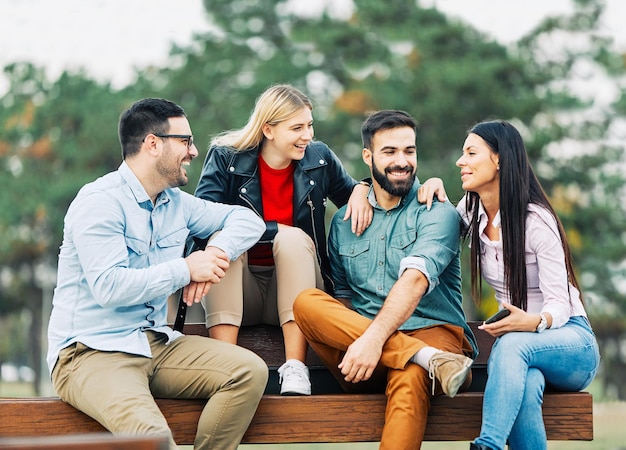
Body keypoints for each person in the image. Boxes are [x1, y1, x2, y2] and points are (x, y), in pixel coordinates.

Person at [46, 98, 269, 450]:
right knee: (155, 441)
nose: (194, 151)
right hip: (90, 352)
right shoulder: (98, 202)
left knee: (248, 372)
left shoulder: (176, 202)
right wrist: (185, 268)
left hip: (155, 343)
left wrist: (213, 253)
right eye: (185, 141)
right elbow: (109, 287)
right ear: (153, 144)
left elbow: (247, 220)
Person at [293, 110, 478, 450]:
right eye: (390, 152)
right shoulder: (344, 224)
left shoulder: (437, 211)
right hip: (362, 357)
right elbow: (345, 302)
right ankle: (424, 357)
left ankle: (424, 358)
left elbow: (415, 280)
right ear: (368, 156)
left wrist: (375, 339)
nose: (402, 161)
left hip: (432, 333)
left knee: (410, 374)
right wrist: (365, 342)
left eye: (409, 151)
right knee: (306, 302)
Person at [422, 120, 600, 450]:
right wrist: (432, 183)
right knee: (525, 383)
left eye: (471, 153)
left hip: (572, 343)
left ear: (500, 159)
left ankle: (487, 444)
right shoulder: (471, 211)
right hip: (524, 354)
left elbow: (559, 303)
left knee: (512, 345)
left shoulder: (536, 221)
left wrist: (534, 323)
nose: (461, 162)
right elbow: (435, 228)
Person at [192, 84, 372, 395]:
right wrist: (276, 229)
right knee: (224, 238)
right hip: (239, 293)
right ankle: (225, 366)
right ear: (269, 130)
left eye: (310, 125)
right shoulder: (225, 158)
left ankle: (295, 368)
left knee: (292, 241)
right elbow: (201, 223)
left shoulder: (320, 159)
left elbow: (357, 197)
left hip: (298, 294)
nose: (308, 136)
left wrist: (362, 187)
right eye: (297, 128)